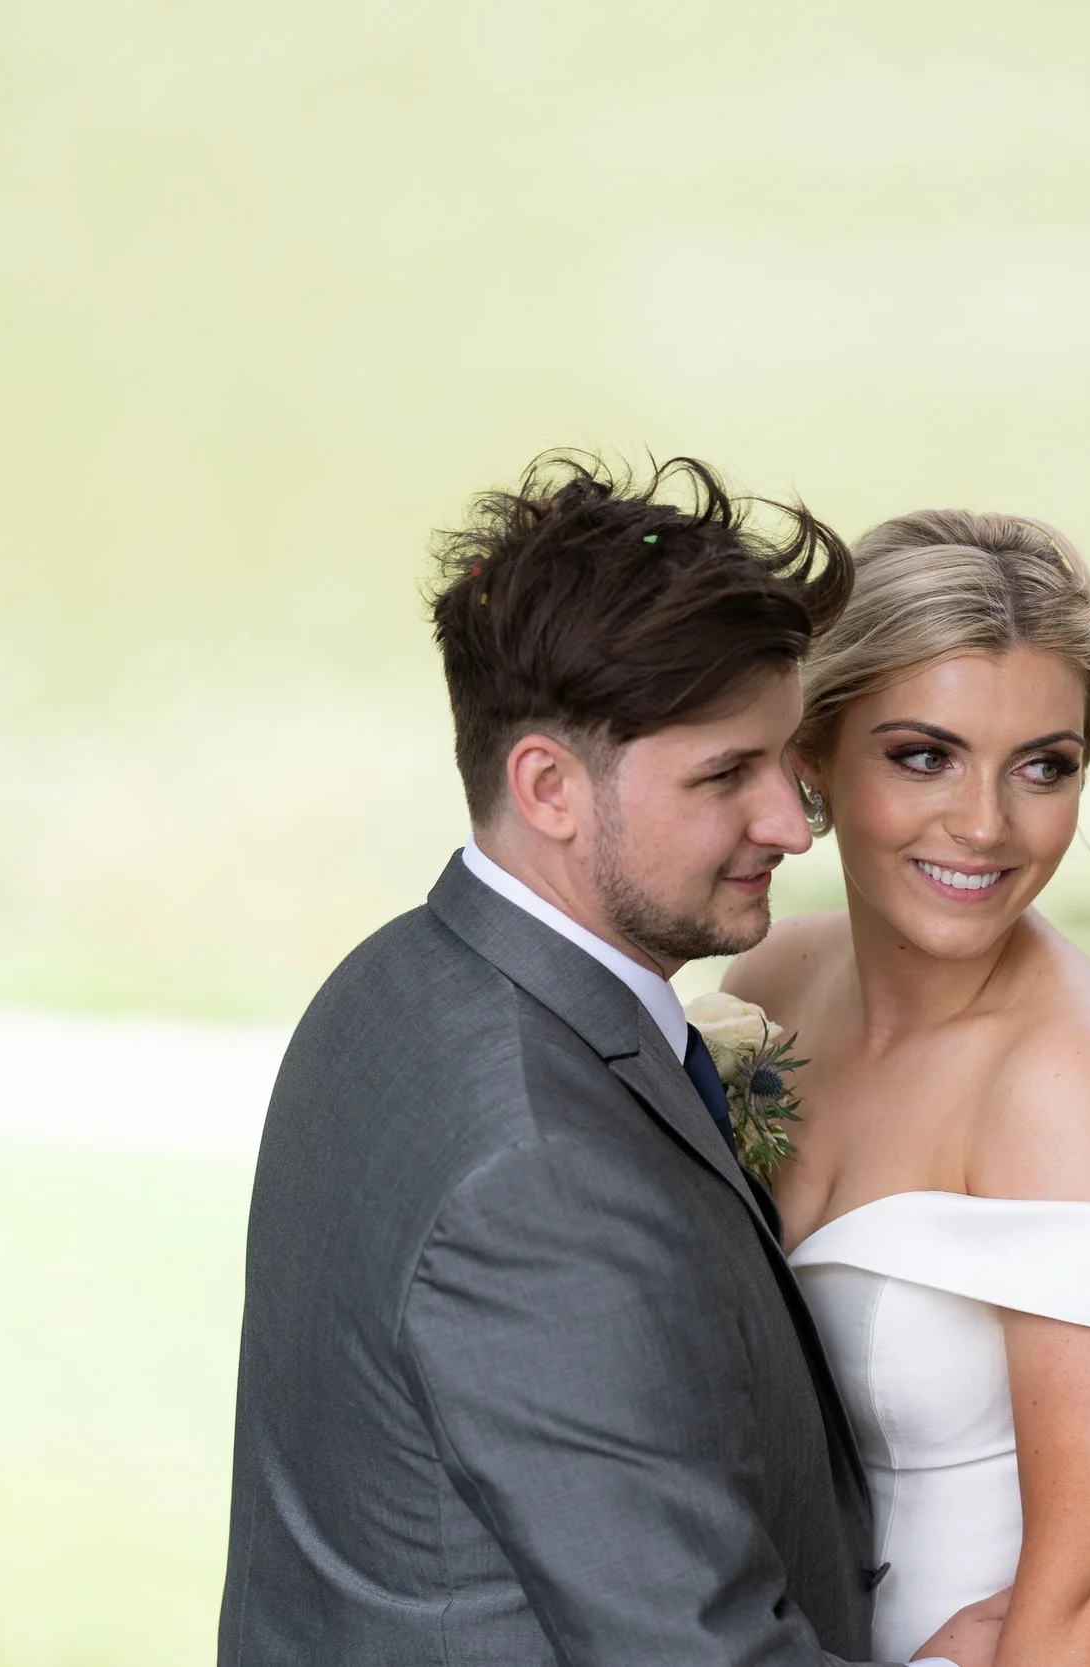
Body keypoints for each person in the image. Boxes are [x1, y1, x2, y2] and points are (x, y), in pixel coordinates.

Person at [217, 456, 1014, 1667]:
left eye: (785, 759)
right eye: (724, 775)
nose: (793, 824)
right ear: (548, 786)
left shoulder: (391, 982)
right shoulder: (541, 1173)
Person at [721, 510, 1090, 1667]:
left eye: (1043, 768)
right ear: (812, 753)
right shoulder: (773, 986)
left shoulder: (1078, 1075)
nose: (985, 824)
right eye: (923, 754)